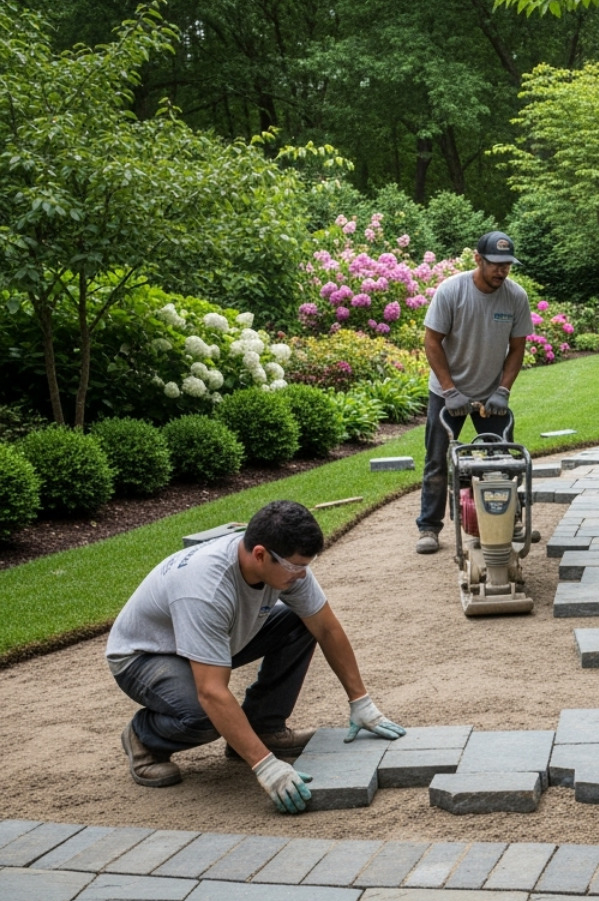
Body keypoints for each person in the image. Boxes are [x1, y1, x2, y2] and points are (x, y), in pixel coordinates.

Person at [108, 500, 407, 813]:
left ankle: (263, 726)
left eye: (307, 565)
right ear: (261, 554)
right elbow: (211, 691)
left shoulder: (283, 566)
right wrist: (267, 767)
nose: (303, 576)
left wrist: (361, 702)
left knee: (299, 623)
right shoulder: (206, 590)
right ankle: (144, 737)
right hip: (145, 656)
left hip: (213, 640)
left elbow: (327, 629)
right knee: (204, 715)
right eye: (295, 567)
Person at [415, 230, 534, 554]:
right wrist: (450, 390)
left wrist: (503, 391)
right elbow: (432, 341)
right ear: (478, 259)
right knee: (438, 459)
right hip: (447, 393)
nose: (502, 271)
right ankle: (429, 526)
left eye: (507, 265)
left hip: (490, 394)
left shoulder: (515, 297)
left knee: (502, 459)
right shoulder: (452, 291)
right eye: (495, 264)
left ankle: (510, 519)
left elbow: (517, 349)